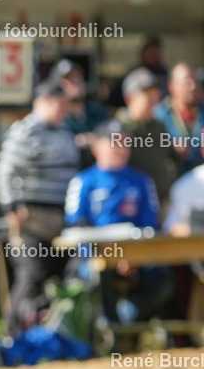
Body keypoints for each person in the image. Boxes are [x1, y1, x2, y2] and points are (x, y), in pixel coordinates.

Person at [65, 120, 173, 326]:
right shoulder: (83, 181)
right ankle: (108, 329)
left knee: (163, 279)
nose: (121, 148)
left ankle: (124, 322)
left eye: (125, 143)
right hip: (96, 255)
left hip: (137, 254)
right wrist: (112, 256)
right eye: (114, 142)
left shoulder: (141, 181)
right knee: (95, 273)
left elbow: (150, 227)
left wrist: (134, 257)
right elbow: (76, 227)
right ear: (97, 147)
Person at [0, 76, 80, 334]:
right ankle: (12, 337)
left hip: (62, 221)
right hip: (32, 219)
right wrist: (12, 207)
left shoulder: (66, 131)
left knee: (63, 278)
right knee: (32, 277)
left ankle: (52, 337)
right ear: (44, 102)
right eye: (60, 103)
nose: (65, 108)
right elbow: (5, 171)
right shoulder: (25, 130)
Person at [116, 67, 179, 203]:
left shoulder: (159, 126)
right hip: (132, 202)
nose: (154, 100)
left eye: (156, 95)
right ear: (129, 98)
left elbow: (172, 158)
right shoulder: (120, 128)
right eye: (147, 95)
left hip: (163, 199)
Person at [155, 62, 204, 175]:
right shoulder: (159, 116)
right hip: (173, 183)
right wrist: (171, 150)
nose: (193, 86)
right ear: (172, 86)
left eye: (195, 81)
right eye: (187, 82)